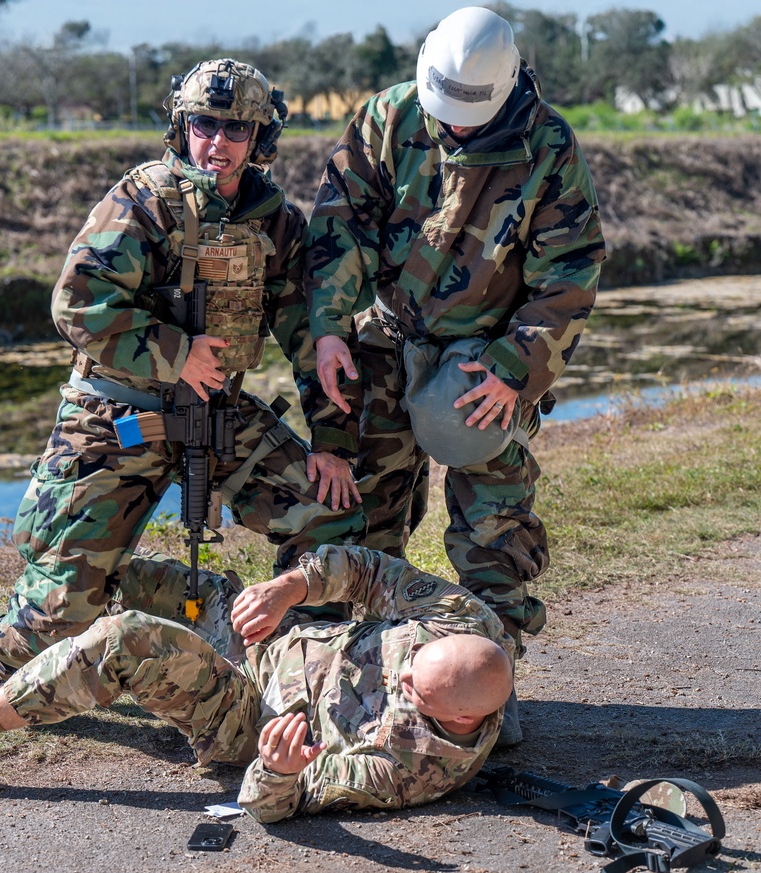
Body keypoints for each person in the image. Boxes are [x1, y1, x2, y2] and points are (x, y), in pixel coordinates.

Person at [0, 58, 364, 704]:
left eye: (235, 130)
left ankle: (296, 675)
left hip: (215, 414)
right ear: (181, 125)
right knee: (65, 606)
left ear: (259, 139)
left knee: (328, 515)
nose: (216, 143)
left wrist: (333, 440)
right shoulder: (144, 199)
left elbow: (309, 337)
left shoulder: (276, 224)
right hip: (116, 415)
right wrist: (177, 354)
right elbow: (75, 303)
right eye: (203, 125)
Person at [304, 7, 606, 745]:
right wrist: (328, 329)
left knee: (492, 525)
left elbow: (569, 270)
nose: (458, 129)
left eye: (474, 117)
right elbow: (337, 226)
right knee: (365, 510)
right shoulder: (386, 118)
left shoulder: (547, 145)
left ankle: (487, 685)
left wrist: (515, 369)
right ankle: (378, 675)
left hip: (484, 351)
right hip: (384, 335)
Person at [0, 544, 514, 823]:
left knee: (125, 638)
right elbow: (367, 572)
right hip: (274, 639)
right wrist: (291, 585)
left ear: (445, 719)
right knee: (137, 575)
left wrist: (275, 770)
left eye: (408, 688)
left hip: (249, 710)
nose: (398, 675)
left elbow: (273, 802)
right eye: (408, 658)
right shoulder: (467, 625)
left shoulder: (409, 767)